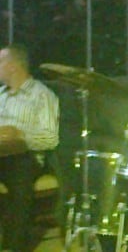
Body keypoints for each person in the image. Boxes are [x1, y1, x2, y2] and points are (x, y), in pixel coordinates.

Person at [0, 43, 60, 252]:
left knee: (20, 180)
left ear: (13, 66)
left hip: (27, 157)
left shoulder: (42, 96)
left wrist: (20, 135)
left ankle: (13, 247)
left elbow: (50, 138)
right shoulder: (1, 96)